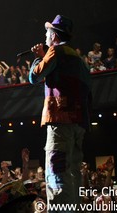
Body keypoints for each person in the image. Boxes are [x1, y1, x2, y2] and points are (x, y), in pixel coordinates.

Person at [28, 14, 91, 210]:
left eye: (47, 32)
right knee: (73, 174)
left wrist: (39, 56)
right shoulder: (79, 58)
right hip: (78, 124)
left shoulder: (55, 51)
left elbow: (34, 76)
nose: (45, 36)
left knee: (57, 174)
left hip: (60, 121)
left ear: (54, 35)